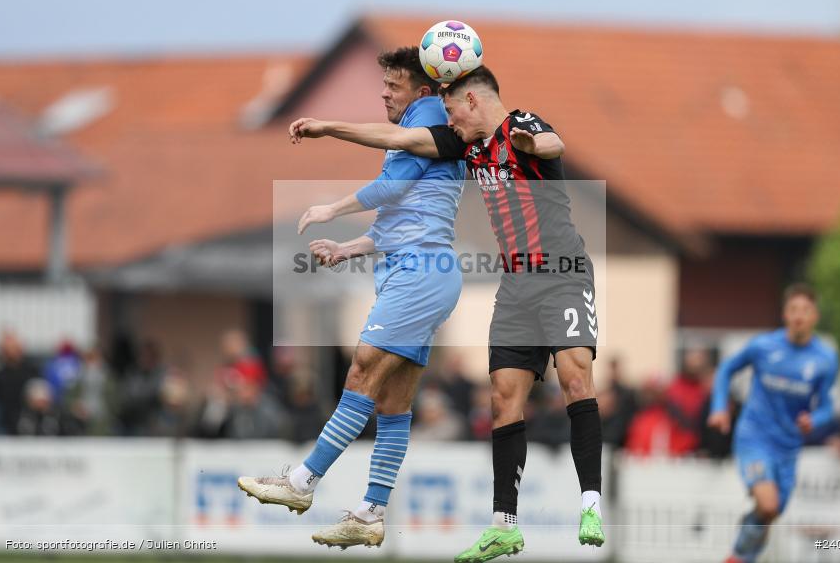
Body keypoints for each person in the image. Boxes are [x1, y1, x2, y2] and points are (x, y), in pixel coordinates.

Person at [288, 65, 605, 561]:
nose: (447, 120)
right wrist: (329, 127)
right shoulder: (467, 146)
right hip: (517, 284)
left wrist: (530, 146)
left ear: (473, 101)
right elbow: (396, 138)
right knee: (501, 397)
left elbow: (554, 146)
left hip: (562, 272)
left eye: (452, 109)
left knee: (575, 376)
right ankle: (504, 524)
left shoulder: (522, 124)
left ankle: (591, 503)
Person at [238, 46, 465, 549]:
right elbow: (406, 217)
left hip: (420, 273)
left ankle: (302, 482)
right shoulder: (421, 126)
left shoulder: (426, 115)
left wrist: (330, 206)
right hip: (420, 268)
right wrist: (348, 249)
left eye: (394, 85)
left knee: (362, 369)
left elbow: (390, 187)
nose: (384, 92)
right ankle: (370, 512)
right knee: (392, 400)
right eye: (383, 84)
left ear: (424, 90)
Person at [708, 283, 839, 563]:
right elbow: (727, 369)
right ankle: (737, 559)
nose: (799, 315)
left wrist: (814, 419)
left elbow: (828, 406)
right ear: (785, 314)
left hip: (789, 445)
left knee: (771, 511)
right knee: (767, 505)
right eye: (793, 309)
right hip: (754, 436)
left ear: (815, 316)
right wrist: (720, 407)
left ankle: (742, 555)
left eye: (805, 310)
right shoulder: (763, 346)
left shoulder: (826, 359)